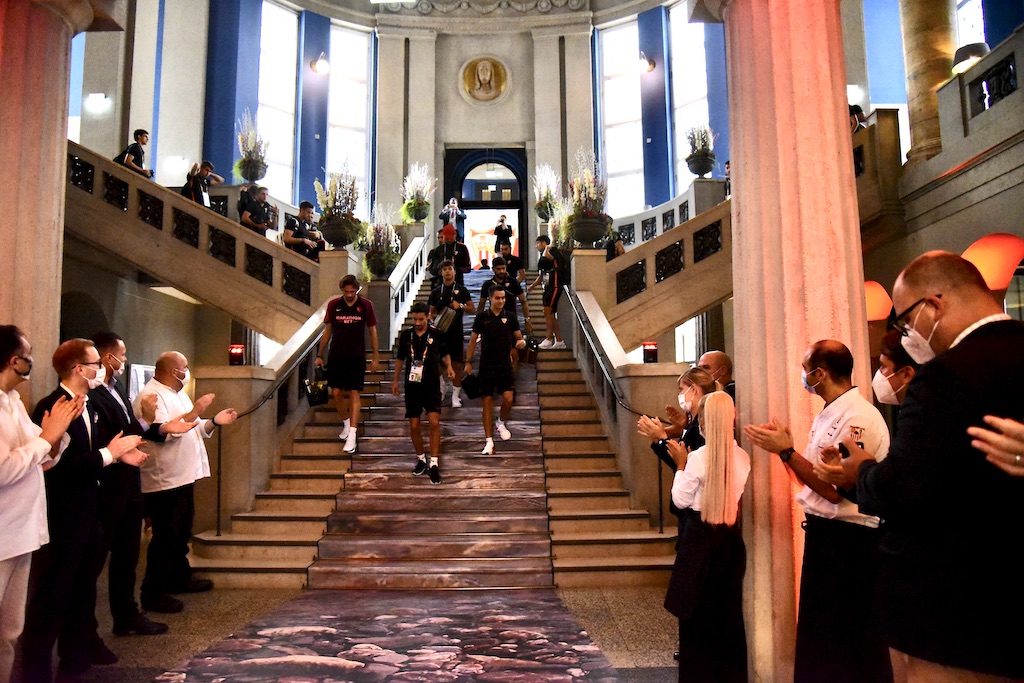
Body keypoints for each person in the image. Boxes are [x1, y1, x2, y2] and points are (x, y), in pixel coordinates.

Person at [834, 251, 1024, 681]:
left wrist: (861, 473)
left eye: (904, 322)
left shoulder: (945, 376)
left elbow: (907, 487)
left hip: (955, 608)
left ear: (933, 306)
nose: (906, 337)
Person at [743, 339, 892, 683]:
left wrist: (786, 452)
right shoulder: (831, 411)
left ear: (820, 373)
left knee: (846, 639)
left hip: (850, 543)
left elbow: (835, 491)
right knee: (821, 636)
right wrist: (787, 453)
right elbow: (810, 481)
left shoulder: (857, 419)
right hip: (828, 538)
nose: (803, 376)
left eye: (805, 368)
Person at [22, 339, 148, 680]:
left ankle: (75, 655)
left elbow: (101, 450)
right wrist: (109, 454)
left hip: (91, 511)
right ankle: (34, 669)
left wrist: (120, 454)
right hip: (63, 515)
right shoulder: (53, 406)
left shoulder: (89, 404)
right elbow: (58, 467)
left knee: (83, 588)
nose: (101, 369)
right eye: (95, 363)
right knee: (54, 593)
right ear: (78, 368)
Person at [89, 332, 198, 638]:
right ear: (106, 358)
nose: (123, 360)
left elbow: (129, 430)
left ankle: (127, 615)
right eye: (121, 356)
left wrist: (142, 431)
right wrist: (150, 426)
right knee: (98, 563)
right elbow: (115, 438)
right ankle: (89, 631)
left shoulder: (116, 389)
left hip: (131, 483)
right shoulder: (95, 397)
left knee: (127, 558)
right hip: (113, 485)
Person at [0, 326, 79, 683]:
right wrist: (47, 437)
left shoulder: (13, 402)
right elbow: (4, 469)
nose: (32, 360)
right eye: (28, 354)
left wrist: (57, 436)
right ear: (14, 360)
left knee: (9, 631)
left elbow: (44, 459)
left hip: (22, 531)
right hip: (2, 532)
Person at [134, 352, 237, 616]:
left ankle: (179, 577)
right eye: (184, 368)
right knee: (165, 537)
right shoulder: (151, 396)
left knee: (180, 533)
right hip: (164, 478)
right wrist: (194, 413)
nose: (187, 371)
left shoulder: (177, 392)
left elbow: (190, 426)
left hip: (184, 475)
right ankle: (153, 592)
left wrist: (212, 421)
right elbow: (160, 433)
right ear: (172, 371)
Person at [665, 391, 750, 683]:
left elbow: (679, 500)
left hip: (699, 540)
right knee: (727, 618)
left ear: (704, 422)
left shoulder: (698, 459)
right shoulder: (743, 457)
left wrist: (680, 464)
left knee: (696, 619)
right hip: (729, 542)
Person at [316, 275, 381, 454]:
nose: (350, 295)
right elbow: (327, 330)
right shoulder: (334, 305)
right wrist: (320, 355)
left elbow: (373, 331)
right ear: (342, 290)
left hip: (356, 356)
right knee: (336, 392)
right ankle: (346, 422)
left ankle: (352, 433)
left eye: (352, 292)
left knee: (354, 392)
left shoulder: (366, 305)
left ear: (357, 290)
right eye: (346, 292)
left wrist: (375, 356)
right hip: (336, 355)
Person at [392, 303, 455, 485]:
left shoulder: (436, 334)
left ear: (428, 316)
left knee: (434, 422)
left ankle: (434, 463)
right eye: (415, 319)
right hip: (412, 385)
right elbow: (399, 359)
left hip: (431, 384)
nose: (418, 322)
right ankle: (421, 459)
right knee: (414, 425)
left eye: (421, 319)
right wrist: (395, 380)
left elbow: (445, 353)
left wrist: (449, 367)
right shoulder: (406, 335)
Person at [465, 285, 526, 455]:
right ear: (490, 298)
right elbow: (472, 340)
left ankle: (501, 421)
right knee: (487, 403)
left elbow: (519, 339)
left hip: (505, 365)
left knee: (508, 398)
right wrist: (468, 361)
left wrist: (521, 344)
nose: (501, 301)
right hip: (486, 366)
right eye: (497, 298)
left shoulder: (511, 317)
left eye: (503, 298)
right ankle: (489, 441)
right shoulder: (482, 318)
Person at [427, 260, 475, 409]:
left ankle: (455, 395)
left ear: (454, 272)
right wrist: (432, 320)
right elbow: (430, 312)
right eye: (445, 269)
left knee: (457, 363)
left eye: (450, 269)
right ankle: (442, 387)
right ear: (441, 272)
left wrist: (459, 305)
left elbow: (472, 309)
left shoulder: (461, 290)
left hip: (455, 333)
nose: (447, 271)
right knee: (437, 362)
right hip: (439, 333)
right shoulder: (435, 291)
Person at [527, 235, 568, 349]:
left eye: (538, 243)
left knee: (548, 312)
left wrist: (547, 246)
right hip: (548, 286)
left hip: (554, 286)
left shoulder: (552, 251)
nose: (536, 246)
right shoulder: (543, 258)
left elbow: (547, 256)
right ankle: (559, 340)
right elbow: (541, 276)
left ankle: (549, 338)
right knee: (549, 313)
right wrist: (532, 286)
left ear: (544, 243)